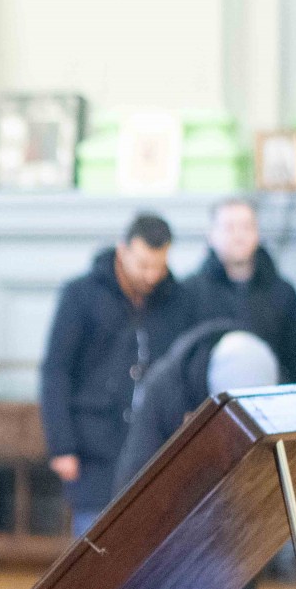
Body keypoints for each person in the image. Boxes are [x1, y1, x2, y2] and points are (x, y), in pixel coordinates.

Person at [112, 324, 280, 589]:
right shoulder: (165, 389)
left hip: (233, 547)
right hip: (171, 548)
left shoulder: (262, 372)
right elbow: (133, 486)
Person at [39, 212, 195, 536]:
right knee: (96, 549)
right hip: (93, 450)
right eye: (143, 265)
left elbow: (185, 369)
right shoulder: (81, 295)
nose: (151, 275)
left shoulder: (178, 301)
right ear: (123, 250)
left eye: (159, 266)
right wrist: (61, 445)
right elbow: (56, 371)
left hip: (155, 451)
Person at [183, 197, 296, 384]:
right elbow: (183, 363)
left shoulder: (283, 292)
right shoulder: (190, 292)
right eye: (229, 228)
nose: (238, 236)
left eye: (246, 227)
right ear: (211, 235)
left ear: (257, 233)